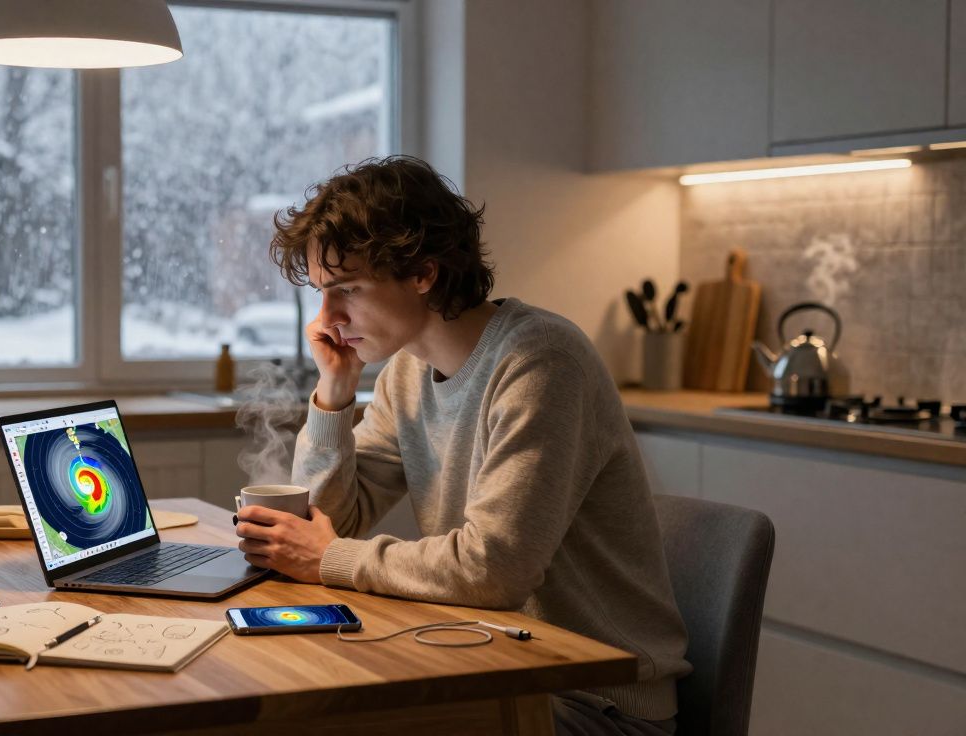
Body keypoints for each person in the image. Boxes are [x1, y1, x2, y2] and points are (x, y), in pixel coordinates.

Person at [233, 155, 692, 735]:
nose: (328, 318)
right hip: (490, 660)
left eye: (346, 289)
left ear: (422, 273)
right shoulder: (406, 372)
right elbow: (334, 519)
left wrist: (328, 559)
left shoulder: (540, 362)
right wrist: (335, 390)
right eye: (322, 293)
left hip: (589, 698)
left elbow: (493, 568)